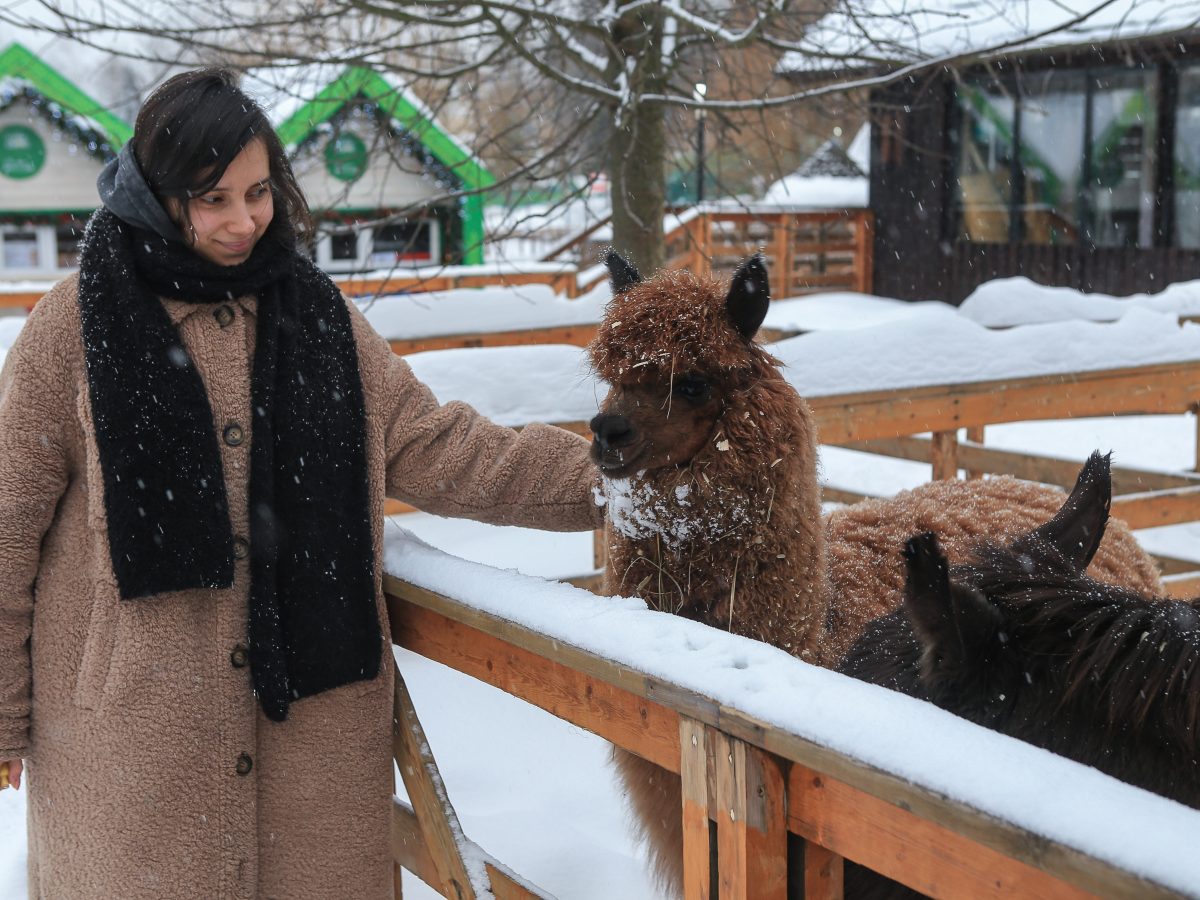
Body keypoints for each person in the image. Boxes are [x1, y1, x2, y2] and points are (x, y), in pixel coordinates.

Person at [0, 68, 601, 899]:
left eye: (258, 192)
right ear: (156, 192)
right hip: (131, 753)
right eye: (213, 198)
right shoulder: (71, 328)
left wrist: (622, 483)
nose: (244, 220)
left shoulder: (318, 319)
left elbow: (445, 448)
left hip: (313, 751)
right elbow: (5, 531)